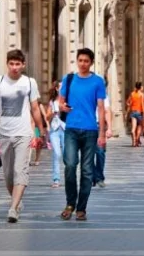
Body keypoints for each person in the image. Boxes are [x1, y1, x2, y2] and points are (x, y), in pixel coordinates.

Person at [0, 49, 45, 223]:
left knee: (20, 170)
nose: (15, 67)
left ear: (23, 65)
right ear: (7, 64)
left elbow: (34, 108)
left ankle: (13, 208)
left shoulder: (29, 83)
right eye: (11, 64)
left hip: (23, 133)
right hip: (4, 134)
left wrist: (40, 130)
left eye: (18, 64)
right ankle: (17, 201)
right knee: (8, 175)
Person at [57, 48, 106, 221]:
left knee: (86, 171)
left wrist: (102, 133)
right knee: (70, 165)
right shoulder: (69, 79)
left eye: (86, 61)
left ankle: (81, 208)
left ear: (91, 62)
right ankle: (70, 203)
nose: (83, 64)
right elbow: (60, 102)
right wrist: (62, 107)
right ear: (77, 61)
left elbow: (101, 108)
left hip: (90, 131)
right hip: (71, 129)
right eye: (80, 60)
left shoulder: (98, 82)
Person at [92, 81, 112, 188]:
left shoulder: (104, 96)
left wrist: (109, 128)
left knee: (100, 152)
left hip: (100, 126)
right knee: (88, 154)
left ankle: (99, 177)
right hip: (87, 126)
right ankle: (93, 176)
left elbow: (107, 111)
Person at [45, 84, 64, 188]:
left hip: (66, 129)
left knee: (67, 155)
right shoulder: (52, 102)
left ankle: (69, 177)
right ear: (56, 88)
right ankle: (56, 179)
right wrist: (53, 113)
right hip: (55, 130)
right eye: (60, 86)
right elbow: (47, 117)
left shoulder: (69, 100)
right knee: (57, 153)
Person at [126, 82, 144, 147]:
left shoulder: (132, 94)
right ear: (140, 87)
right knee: (142, 127)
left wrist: (130, 107)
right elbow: (143, 105)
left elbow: (127, 102)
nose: (143, 87)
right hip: (139, 113)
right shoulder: (141, 94)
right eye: (142, 86)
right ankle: (143, 141)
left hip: (133, 113)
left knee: (133, 128)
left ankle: (134, 142)